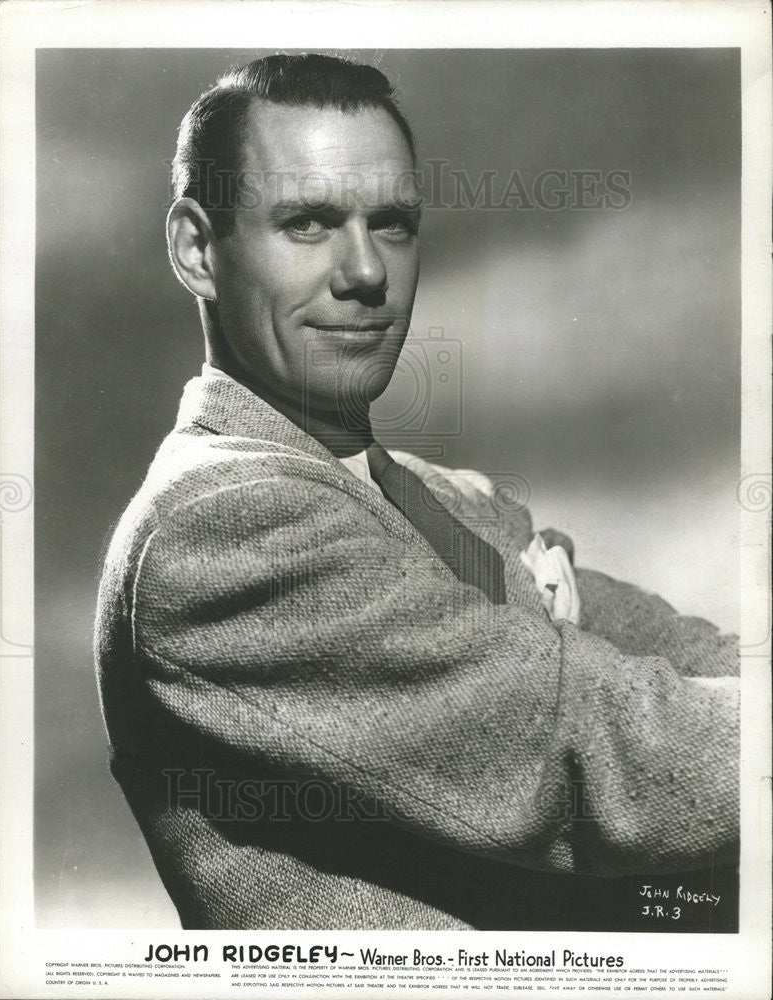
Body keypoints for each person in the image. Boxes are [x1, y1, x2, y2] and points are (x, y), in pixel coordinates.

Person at [95, 53, 739, 931]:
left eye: (392, 224)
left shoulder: (446, 495)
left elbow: (683, 652)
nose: (366, 273)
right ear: (197, 250)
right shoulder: (220, 527)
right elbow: (607, 750)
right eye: (310, 223)